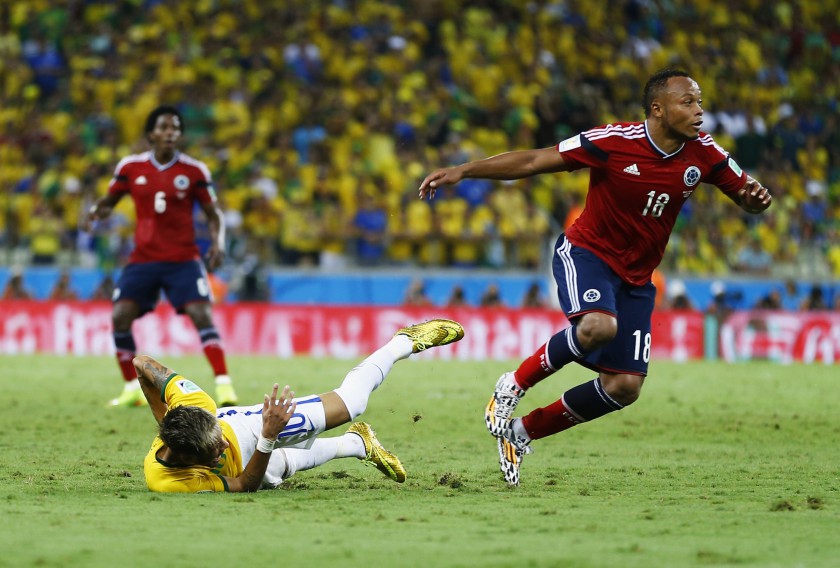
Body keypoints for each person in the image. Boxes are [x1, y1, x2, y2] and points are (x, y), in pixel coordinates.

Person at [419, 68, 773, 486]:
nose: (700, 112)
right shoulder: (612, 141)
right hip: (587, 254)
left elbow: (748, 196)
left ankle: (521, 433)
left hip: (637, 278)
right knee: (598, 326)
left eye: (700, 102)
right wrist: (466, 169)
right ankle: (512, 384)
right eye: (689, 102)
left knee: (624, 387)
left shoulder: (706, 153)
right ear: (658, 109)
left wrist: (755, 200)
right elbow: (535, 159)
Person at [134, 319, 464, 492]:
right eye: (213, 449)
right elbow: (244, 485)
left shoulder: (197, 405)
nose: (220, 443)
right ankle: (358, 443)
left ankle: (402, 342)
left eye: (216, 436)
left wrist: (264, 433)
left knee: (349, 404)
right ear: (187, 457)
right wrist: (270, 439)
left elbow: (141, 363)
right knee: (283, 466)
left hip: (247, 430)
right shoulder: (170, 484)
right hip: (249, 461)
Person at [86, 105, 239, 408]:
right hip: (143, 258)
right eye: (165, 127)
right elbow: (109, 201)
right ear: (151, 133)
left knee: (201, 315)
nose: (171, 132)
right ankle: (131, 388)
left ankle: (224, 386)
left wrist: (218, 243)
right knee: (119, 317)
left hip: (183, 258)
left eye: (176, 128)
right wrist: (94, 212)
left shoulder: (194, 171)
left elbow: (213, 214)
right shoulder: (131, 167)